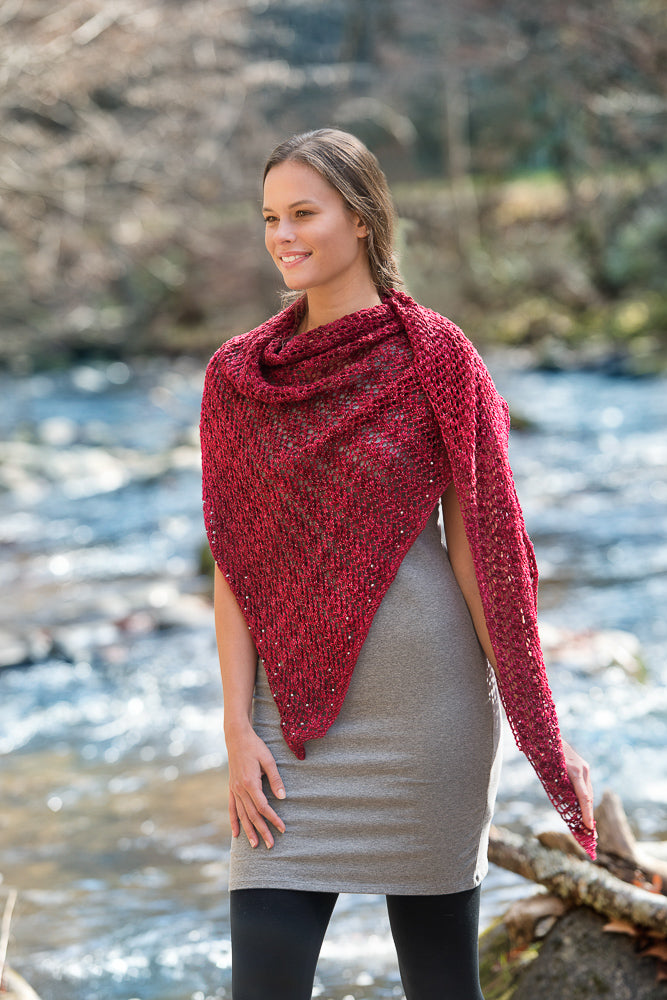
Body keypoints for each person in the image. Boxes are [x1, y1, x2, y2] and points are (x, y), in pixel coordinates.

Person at [199, 128, 596, 1000]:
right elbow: (235, 565)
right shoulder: (236, 376)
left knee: (441, 987)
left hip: (432, 719)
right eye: (270, 216)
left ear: (364, 219)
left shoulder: (438, 356)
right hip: (285, 728)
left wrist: (543, 728)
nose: (283, 235)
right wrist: (235, 728)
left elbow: (481, 552)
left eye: (304, 213)